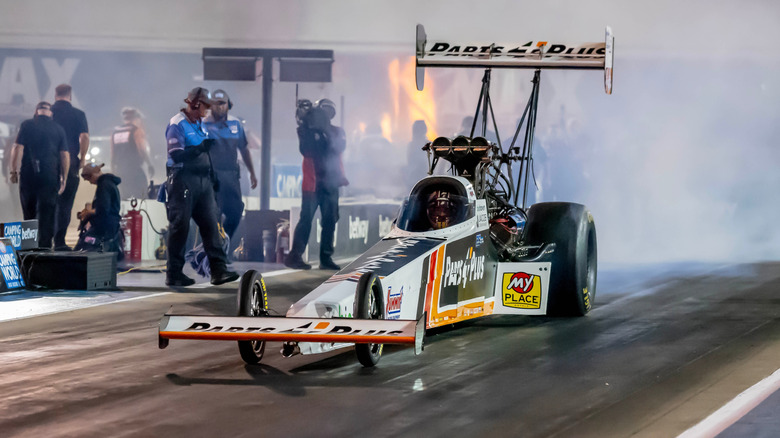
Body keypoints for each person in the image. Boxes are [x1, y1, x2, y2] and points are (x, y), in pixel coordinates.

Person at [164, 87, 238, 287]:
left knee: (211, 226)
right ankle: (174, 274)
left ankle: (218, 271)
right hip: (183, 181)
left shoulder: (200, 123)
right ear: (195, 104)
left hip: (203, 182)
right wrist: (198, 149)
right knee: (180, 226)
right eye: (205, 106)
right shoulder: (177, 124)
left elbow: (206, 154)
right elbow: (176, 155)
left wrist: (213, 177)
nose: (208, 110)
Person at [285, 98, 348, 270]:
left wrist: (323, 132)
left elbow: (339, 147)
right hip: (312, 183)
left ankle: (325, 258)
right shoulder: (305, 130)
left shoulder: (337, 131)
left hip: (331, 183)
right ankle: (294, 256)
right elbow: (305, 149)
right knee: (306, 219)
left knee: (330, 220)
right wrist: (313, 129)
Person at [8, 101, 69, 249]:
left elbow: (17, 148)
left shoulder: (27, 125)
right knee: (47, 212)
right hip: (50, 175)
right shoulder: (58, 129)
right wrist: (64, 177)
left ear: (36, 111)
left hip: (29, 175)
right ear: (51, 113)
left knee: (28, 211)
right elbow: (65, 155)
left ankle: (29, 247)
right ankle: (45, 246)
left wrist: (13, 170)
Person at [202, 89, 257, 243]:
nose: (219, 107)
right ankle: (213, 253)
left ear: (228, 105)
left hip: (232, 175)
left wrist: (252, 173)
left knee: (236, 210)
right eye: (215, 104)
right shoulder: (204, 124)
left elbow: (244, 150)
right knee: (214, 213)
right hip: (211, 176)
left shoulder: (236, 124)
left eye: (222, 104)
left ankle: (223, 243)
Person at [51, 84, 89, 250]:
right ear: (70, 95)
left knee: (47, 203)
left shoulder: (48, 113)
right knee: (65, 204)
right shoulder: (78, 114)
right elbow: (84, 136)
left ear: (55, 94)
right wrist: (82, 157)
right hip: (71, 162)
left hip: (48, 164)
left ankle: (43, 241)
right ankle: (59, 242)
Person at [74, 163, 123, 258]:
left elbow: (103, 209)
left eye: (89, 179)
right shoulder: (109, 183)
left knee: (83, 247)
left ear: (93, 175)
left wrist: (88, 213)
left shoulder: (104, 185)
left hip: (104, 228)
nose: (90, 182)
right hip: (111, 226)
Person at [111, 107, 155, 199]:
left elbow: (112, 153)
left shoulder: (115, 132)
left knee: (123, 197)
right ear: (136, 118)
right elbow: (142, 149)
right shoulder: (136, 130)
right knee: (141, 195)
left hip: (120, 170)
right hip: (134, 169)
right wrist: (150, 164)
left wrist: (113, 169)